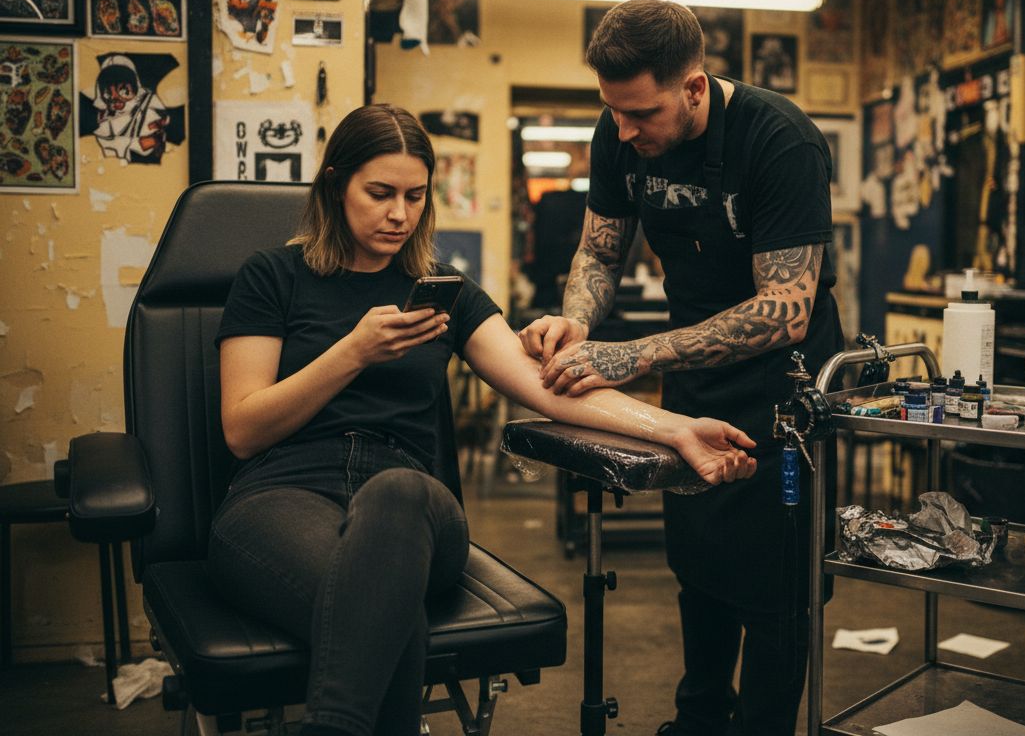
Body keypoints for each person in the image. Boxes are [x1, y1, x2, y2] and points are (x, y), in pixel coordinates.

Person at [209, 104, 758, 736]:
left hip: (409, 508)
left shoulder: (443, 289)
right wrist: (353, 352)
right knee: (388, 611)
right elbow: (243, 429)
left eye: (416, 196)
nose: (399, 215)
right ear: (335, 184)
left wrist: (675, 426)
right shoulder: (272, 277)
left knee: (400, 493)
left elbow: (553, 389)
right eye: (379, 193)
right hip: (283, 495)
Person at [518, 0, 844, 736]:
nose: (624, 132)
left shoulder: (779, 139)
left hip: (783, 390)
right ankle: (698, 719)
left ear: (694, 87)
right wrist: (577, 317)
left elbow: (786, 307)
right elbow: (600, 251)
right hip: (695, 377)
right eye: (614, 113)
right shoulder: (619, 130)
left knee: (776, 584)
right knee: (700, 564)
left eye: (642, 115)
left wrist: (632, 355)